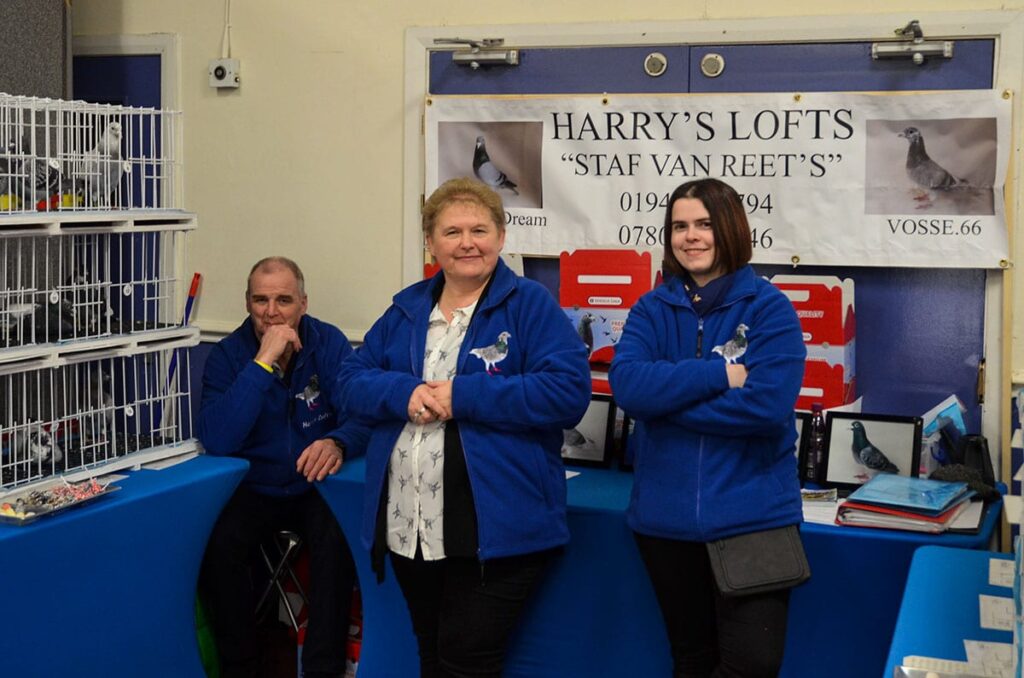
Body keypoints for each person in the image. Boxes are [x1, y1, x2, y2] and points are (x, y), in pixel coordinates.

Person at [337, 178, 591, 678]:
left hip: (495, 528)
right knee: (433, 656)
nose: (467, 242)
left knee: (465, 663)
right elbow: (349, 380)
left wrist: (464, 396)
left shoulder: (530, 305)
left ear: (501, 236)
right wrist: (403, 393)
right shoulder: (407, 307)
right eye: (451, 231)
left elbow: (566, 392)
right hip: (412, 526)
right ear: (431, 243)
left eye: (479, 229)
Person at [609, 178, 807, 677]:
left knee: (751, 667)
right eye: (679, 226)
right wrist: (718, 374)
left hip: (753, 518)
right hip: (665, 522)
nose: (690, 236)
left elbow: (766, 407)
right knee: (692, 661)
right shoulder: (651, 308)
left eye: (704, 224)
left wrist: (665, 403)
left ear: (729, 229)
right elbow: (629, 387)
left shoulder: (769, 307)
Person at [197, 256, 365, 678]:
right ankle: (242, 668)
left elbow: (363, 416)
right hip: (255, 487)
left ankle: (322, 670)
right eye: (261, 300)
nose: (272, 312)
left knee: (337, 540)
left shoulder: (328, 344)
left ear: (303, 304)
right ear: (248, 302)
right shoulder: (229, 355)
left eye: (283, 300)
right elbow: (218, 439)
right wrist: (262, 363)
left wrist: (337, 441)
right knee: (218, 545)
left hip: (316, 486)